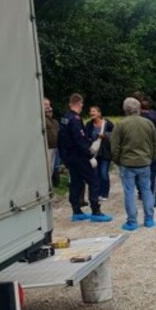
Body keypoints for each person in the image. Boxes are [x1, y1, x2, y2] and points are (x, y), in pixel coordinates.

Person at [58, 93, 112, 222]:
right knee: (93, 181)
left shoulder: (65, 118)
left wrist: (63, 157)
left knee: (76, 183)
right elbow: (79, 140)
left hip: (69, 157)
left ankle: (76, 211)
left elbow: (61, 139)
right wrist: (89, 155)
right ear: (80, 104)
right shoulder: (75, 120)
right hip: (79, 156)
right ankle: (96, 210)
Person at [111, 97, 156, 231]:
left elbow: (114, 147)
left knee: (129, 192)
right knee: (146, 190)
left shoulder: (120, 125)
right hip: (144, 162)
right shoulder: (148, 123)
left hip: (127, 164)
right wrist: (150, 157)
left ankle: (132, 221)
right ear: (138, 108)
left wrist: (118, 161)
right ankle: (149, 219)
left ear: (125, 109)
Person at [85, 106, 114, 202]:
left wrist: (105, 135)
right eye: (90, 111)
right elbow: (85, 137)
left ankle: (104, 193)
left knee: (103, 173)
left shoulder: (107, 123)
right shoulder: (89, 125)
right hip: (94, 152)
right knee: (95, 174)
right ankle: (97, 193)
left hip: (105, 151)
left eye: (94, 111)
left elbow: (115, 134)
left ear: (99, 113)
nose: (91, 113)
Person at [140, 98, 156, 207]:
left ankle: (142, 194)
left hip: (140, 150)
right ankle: (153, 197)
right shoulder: (154, 118)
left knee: (141, 174)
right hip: (152, 150)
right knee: (153, 174)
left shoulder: (136, 119)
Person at [43, 98, 61, 187]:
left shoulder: (55, 121)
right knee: (49, 168)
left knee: (56, 167)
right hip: (48, 147)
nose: (49, 107)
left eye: (49, 105)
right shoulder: (42, 120)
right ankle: (48, 186)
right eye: (46, 105)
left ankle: (55, 185)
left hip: (57, 147)